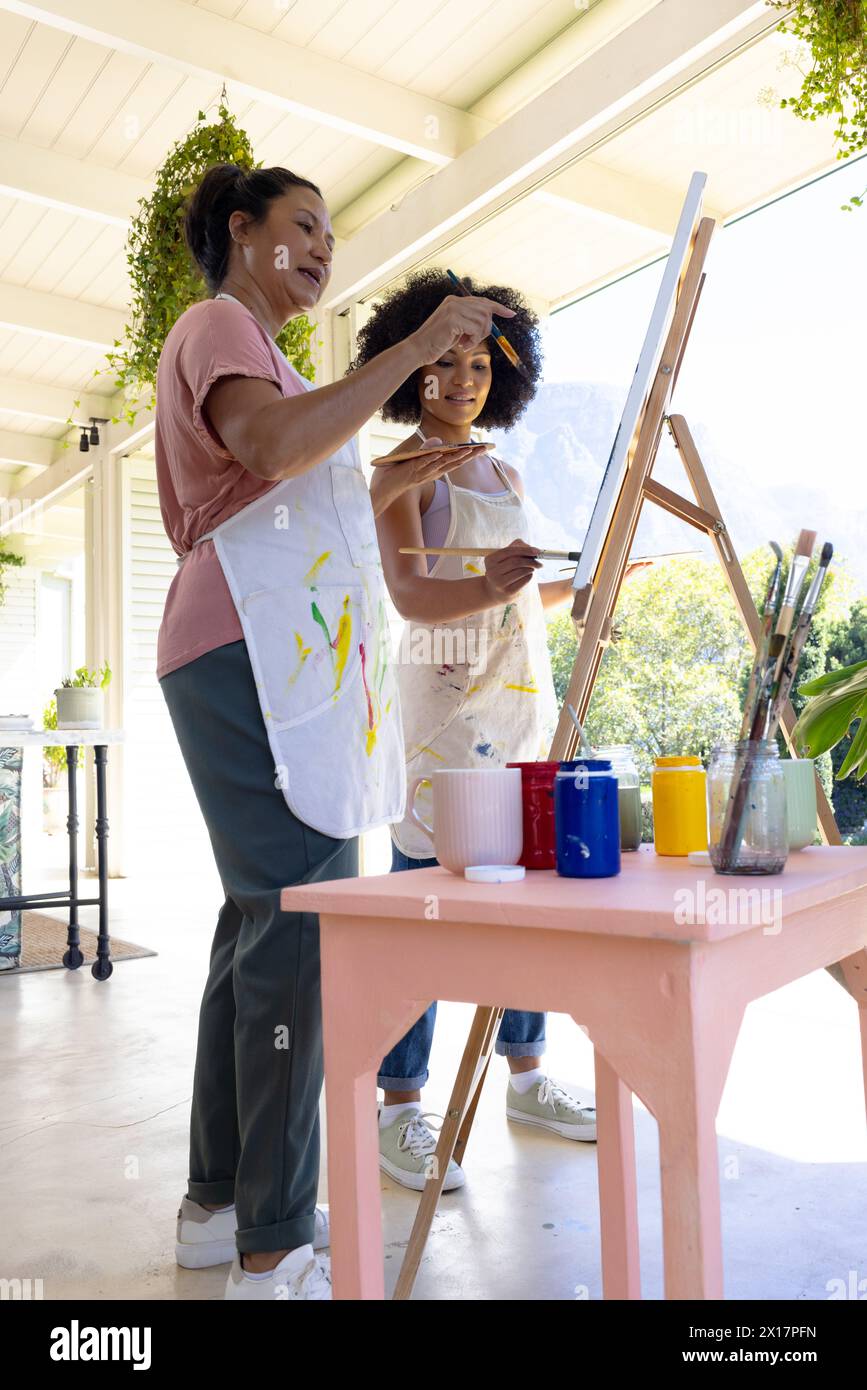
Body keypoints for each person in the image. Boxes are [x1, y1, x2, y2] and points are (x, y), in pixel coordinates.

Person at [155, 166, 514, 1298]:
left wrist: (391, 471)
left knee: (258, 919)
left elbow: (283, 489)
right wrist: (405, 358)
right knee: (300, 926)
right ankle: (274, 1242)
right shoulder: (221, 323)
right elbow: (264, 449)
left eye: (329, 230)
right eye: (299, 225)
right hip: (245, 646)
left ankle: (218, 1205)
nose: (319, 245)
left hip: (242, 644)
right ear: (238, 232)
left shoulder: (265, 350)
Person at [350, 270, 598, 1193]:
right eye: (441, 363)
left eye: (479, 363)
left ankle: (527, 1079)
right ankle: (401, 1107)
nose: (461, 381)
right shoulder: (398, 469)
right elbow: (413, 593)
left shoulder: (506, 468)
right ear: (406, 366)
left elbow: (514, 588)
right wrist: (495, 584)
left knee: (523, 888)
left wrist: (588, 585)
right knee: (427, 892)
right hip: (440, 712)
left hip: (516, 699)